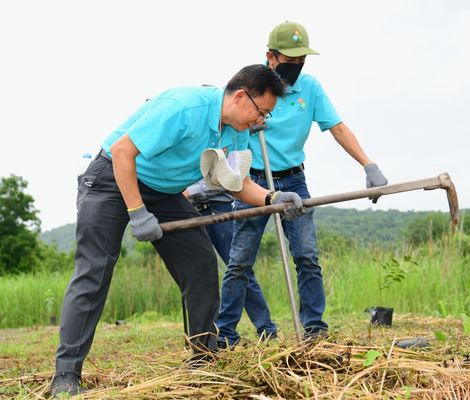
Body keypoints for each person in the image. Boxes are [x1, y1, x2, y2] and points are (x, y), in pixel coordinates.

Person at [50, 64, 305, 397]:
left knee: (200, 262)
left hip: (163, 191)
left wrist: (273, 197)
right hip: (111, 178)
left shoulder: (235, 130)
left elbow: (233, 182)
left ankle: (203, 357)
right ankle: (66, 374)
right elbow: (124, 151)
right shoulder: (186, 107)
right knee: (94, 271)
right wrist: (137, 212)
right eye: (262, 113)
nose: (261, 122)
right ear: (242, 96)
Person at [215, 21, 388, 347]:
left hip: (294, 179)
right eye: (288, 60)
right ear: (270, 56)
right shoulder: (250, 88)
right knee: (239, 261)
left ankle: (314, 330)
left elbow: (337, 127)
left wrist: (369, 164)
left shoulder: (309, 88)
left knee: (307, 256)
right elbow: (227, 139)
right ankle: (225, 334)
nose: (295, 67)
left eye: (300, 61)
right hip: (256, 182)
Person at [184, 181, 278, 340]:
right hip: (191, 211)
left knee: (238, 268)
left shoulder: (221, 154)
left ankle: (266, 328)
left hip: (219, 209)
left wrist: (189, 191)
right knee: (198, 273)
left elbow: (224, 179)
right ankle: (207, 334)